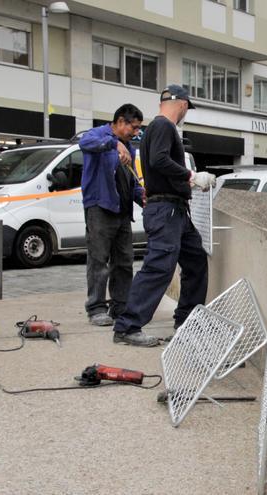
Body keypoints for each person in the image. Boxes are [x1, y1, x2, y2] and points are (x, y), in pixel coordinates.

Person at [111, 85, 217, 346]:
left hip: (174, 210)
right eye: (186, 109)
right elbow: (159, 161)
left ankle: (186, 321)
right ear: (181, 104)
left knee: (195, 261)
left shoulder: (155, 129)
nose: (185, 113)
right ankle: (127, 326)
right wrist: (191, 175)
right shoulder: (164, 127)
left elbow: (158, 167)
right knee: (159, 268)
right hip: (167, 211)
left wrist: (187, 184)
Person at [79, 104, 145, 326]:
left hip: (122, 211)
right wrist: (114, 143)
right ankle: (96, 308)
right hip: (100, 207)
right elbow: (84, 143)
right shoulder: (98, 135)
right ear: (120, 122)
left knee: (124, 261)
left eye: (138, 128)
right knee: (99, 260)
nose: (136, 132)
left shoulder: (130, 147)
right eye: (134, 127)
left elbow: (130, 177)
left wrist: (141, 196)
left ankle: (121, 306)